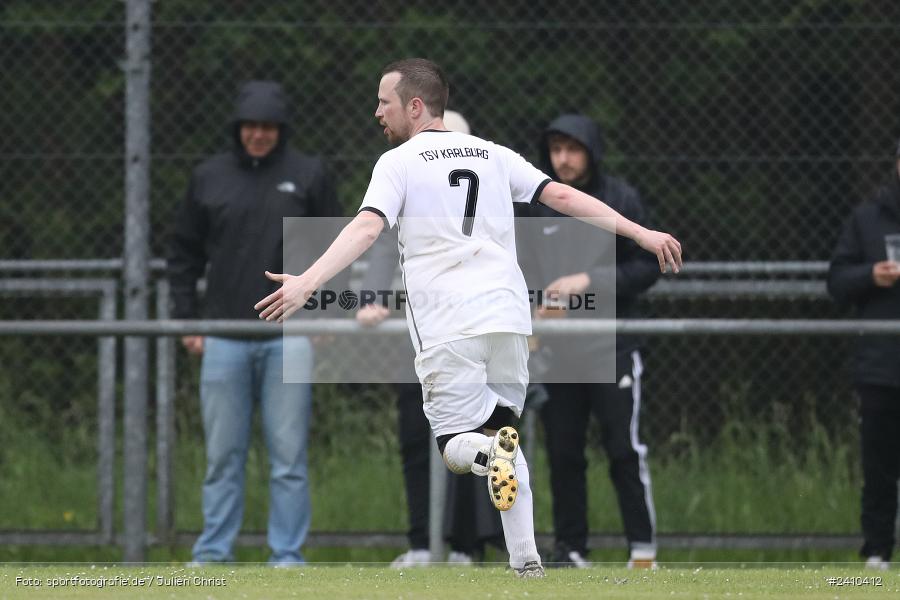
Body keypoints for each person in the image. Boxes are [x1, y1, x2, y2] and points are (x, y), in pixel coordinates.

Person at [254, 58, 682, 578]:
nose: (376, 112)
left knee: (458, 448)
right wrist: (642, 234)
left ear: (415, 105)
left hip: (448, 323)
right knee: (506, 435)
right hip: (508, 319)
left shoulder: (399, 162)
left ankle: (486, 458)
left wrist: (307, 281)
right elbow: (564, 197)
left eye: (383, 102)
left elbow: (367, 229)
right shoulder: (494, 154)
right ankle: (527, 565)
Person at [168, 80, 342, 565]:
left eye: (268, 126)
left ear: (281, 129)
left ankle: (286, 557)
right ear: (238, 129)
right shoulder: (208, 177)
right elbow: (182, 253)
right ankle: (212, 553)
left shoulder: (309, 174)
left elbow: (334, 246)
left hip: (291, 337)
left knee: (289, 458)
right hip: (222, 336)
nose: (259, 135)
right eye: (251, 126)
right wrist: (186, 320)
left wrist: (326, 312)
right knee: (223, 456)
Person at [356, 110, 505, 567]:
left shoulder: (488, 203)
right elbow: (379, 242)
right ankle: (423, 543)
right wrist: (371, 298)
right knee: (416, 440)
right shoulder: (405, 194)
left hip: (472, 340)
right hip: (417, 341)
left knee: (468, 440)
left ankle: (465, 545)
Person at [516, 114, 660, 569]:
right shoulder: (537, 206)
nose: (563, 158)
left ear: (591, 151)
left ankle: (642, 551)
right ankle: (571, 550)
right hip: (559, 353)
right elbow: (526, 273)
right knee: (563, 453)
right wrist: (536, 311)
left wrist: (590, 281)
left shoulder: (621, 199)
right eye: (555, 149)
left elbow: (648, 266)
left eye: (572, 149)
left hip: (612, 348)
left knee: (623, 448)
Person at [827, 139, 900, 571]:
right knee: (879, 466)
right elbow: (837, 282)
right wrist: (871, 275)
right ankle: (876, 552)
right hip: (881, 364)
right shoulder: (867, 219)